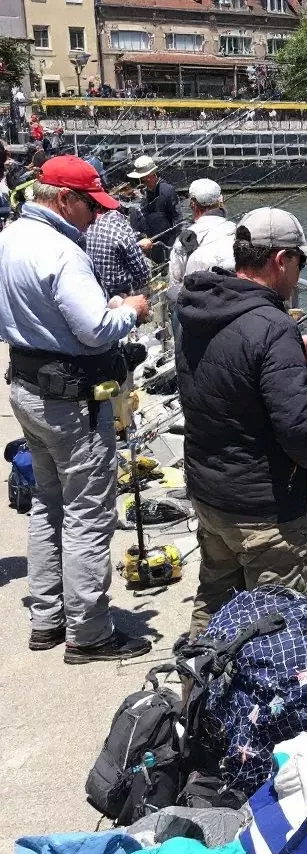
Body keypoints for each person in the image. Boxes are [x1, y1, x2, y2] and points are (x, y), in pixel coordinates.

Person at [0, 155, 152, 661]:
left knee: (47, 503)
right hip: (71, 403)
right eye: (91, 205)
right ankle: (89, 633)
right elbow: (95, 329)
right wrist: (129, 312)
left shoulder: (9, 237)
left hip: (25, 388)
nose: (96, 216)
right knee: (89, 514)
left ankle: (47, 619)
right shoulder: (62, 251)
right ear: (64, 198)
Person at [176, 208, 307, 637]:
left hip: (211, 494)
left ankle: (195, 697)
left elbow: (224, 373)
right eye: (300, 262)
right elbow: (297, 431)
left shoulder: (198, 308)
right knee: (277, 631)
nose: (299, 274)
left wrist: (289, 351)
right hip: (263, 513)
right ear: (280, 260)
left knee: (214, 606)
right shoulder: (272, 327)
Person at [167, 178, 236, 305]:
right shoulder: (235, 229)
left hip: (198, 307)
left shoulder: (184, 239)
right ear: (221, 200)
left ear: (192, 204)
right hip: (233, 301)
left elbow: (175, 280)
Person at [86, 203, 150, 300]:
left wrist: (137, 246)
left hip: (102, 292)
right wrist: (142, 252)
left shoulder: (89, 228)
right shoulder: (121, 230)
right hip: (124, 295)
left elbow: (111, 252)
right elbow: (143, 274)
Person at [126, 154, 179, 264]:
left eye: (144, 178)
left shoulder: (167, 191)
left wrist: (177, 244)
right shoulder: (143, 191)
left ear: (152, 174)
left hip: (166, 242)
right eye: (140, 179)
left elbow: (177, 218)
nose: (142, 181)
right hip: (148, 241)